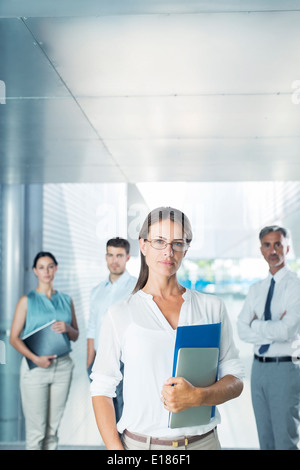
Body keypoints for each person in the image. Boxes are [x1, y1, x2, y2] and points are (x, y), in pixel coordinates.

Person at [90, 207, 244, 450]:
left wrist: (198, 396)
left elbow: (235, 380)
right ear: (143, 245)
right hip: (142, 446)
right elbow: (101, 387)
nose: (168, 252)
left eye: (177, 243)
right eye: (159, 241)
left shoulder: (212, 307)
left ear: (186, 248)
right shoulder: (120, 313)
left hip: (204, 443)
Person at [237, 226, 300, 450]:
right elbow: (241, 330)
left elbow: (287, 332)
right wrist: (270, 325)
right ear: (261, 250)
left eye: (277, 244)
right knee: (265, 439)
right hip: (258, 370)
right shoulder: (256, 289)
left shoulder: (295, 286)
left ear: (287, 248)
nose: (272, 250)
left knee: (285, 440)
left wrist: (255, 323)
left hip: (285, 369)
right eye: (267, 245)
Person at [10, 251, 79, 450]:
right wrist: (35, 358)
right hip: (36, 369)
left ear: (56, 269)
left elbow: (75, 335)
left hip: (63, 367)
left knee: (52, 431)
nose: (46, 271)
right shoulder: (27, 301)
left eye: (50, 266)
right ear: (35, 271)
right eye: (41, 267)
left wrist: (68, 328)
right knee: (36, 432)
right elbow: (13, 338)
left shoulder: (66, 300)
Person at [87, 237, 137, 422]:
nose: (114, 260)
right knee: (105, 406)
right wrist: (89, 361)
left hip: (126, 358)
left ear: (127, 258)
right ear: (106, 257)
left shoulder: (137, 288)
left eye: (119, 255)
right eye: (110, 255)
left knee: (125, 405)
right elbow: (92, 326)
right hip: (101, 357)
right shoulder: (97, 291)